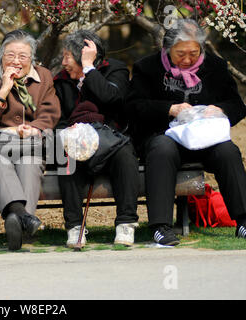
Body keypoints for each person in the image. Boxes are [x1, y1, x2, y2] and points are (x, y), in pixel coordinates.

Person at [126, 19, 246, 245]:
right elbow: (132, 106)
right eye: (180, 54)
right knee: (162, 149)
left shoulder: (216, 67)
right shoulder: (147, 68)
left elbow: (237, 105)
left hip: (206, 139)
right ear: (167, 49)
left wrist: (220, 110)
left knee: (228, 151)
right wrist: (169, 109)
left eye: (194, 53)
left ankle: (243, 222)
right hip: (165, 137)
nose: (188, 59)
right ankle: (161, 227)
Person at [0, 29, 61, 250]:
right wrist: (3, 90)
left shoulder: (44, 76)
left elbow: (50, 112)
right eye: (10, 55)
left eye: (23, 56)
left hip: (29, 144)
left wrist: (34, 128)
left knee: (29, 163)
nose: (16, 61)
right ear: (1, 55)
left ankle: (16, 219)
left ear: (32, 58)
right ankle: (24, 217)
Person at [54, 30, 140, 247]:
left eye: (68, 57)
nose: (63, 62)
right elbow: (59, 120)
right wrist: (68, 133)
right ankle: (75, 227)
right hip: (78, 143)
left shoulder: (115, 70)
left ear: (85, 57)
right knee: (66, 155)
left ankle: (126, 223)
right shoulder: (61, 81)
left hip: (111, 141)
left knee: (125, 154)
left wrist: (89, 69)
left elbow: (112, 99)